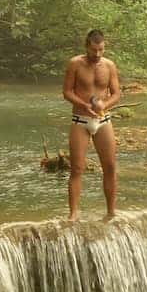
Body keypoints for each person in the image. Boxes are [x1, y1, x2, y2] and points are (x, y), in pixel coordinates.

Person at [61, 29, 122, 221]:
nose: (97, 54)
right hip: (80, 120)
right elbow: (67, 92)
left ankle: (111, 211)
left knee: (110, 166)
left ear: (104, 47)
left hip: (103, 120)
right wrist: (84, 105)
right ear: (87, 46)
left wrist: (104, 104)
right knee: (77, 168)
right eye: (94, 50)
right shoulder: (75, 64)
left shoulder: (109, 66)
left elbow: (117, 94)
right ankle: (73, 214)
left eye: (101, 50)